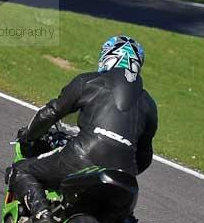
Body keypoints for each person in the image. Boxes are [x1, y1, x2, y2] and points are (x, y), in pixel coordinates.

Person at [8, 36, 158, 223]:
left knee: (20, 170)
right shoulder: (150, 104)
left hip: (83, 157)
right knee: (125, 216)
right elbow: (144, 157)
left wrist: (28, 136)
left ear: (109, 57)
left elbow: (51, 112)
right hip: (124, 177)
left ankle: (43, 216)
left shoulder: (89, 81)